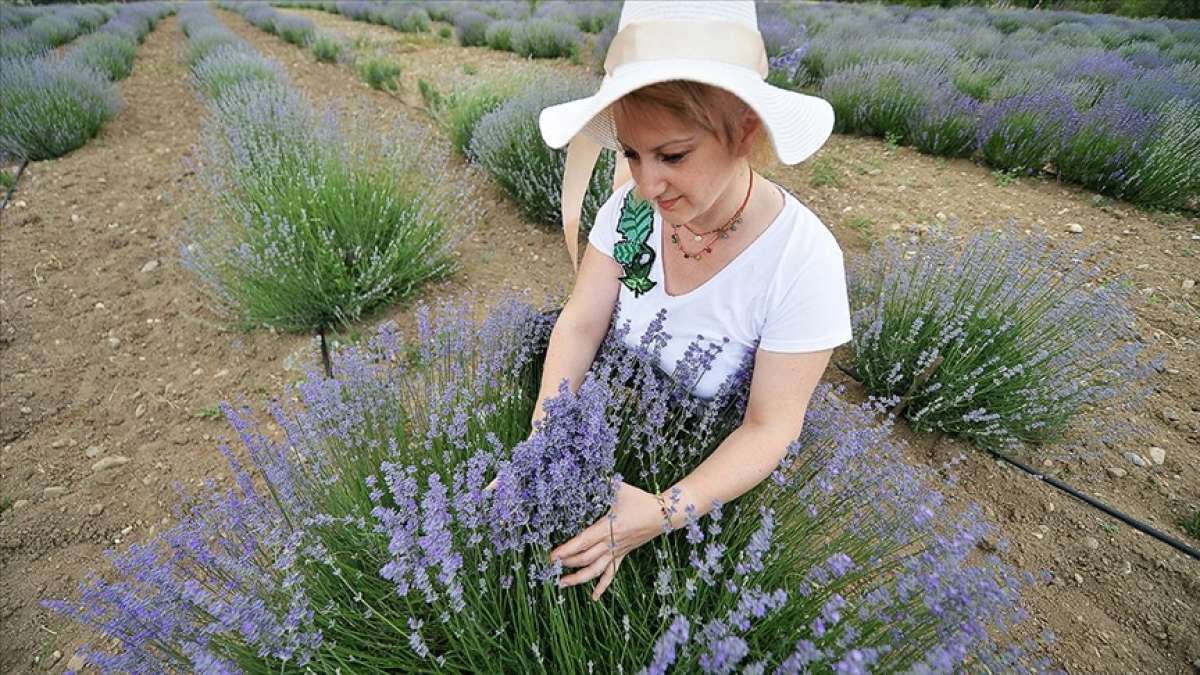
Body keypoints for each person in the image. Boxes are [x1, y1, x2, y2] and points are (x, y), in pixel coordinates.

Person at [532, 1, 852, 601]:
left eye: (672, 156)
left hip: (701, 492)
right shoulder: (629, 210)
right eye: (631, 153)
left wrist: (660, 511)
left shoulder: (802, 261)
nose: (646, 185)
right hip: (600, 433)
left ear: (744, 131)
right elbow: (580, 324)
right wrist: (545, 438)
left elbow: (769, 427)